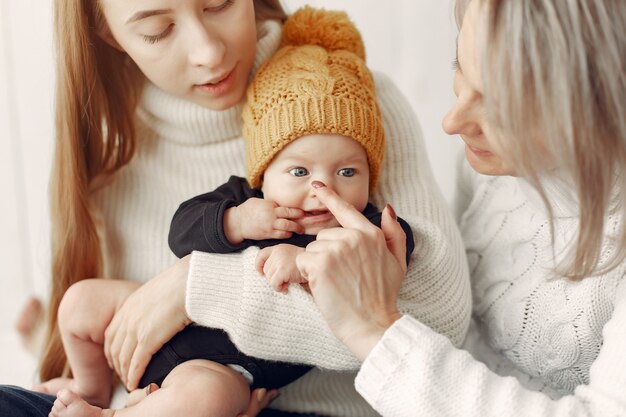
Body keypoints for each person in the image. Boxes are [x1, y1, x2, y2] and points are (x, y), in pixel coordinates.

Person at [0, 0, 471, 416]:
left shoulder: (342, 102)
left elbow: (437, 317)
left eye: (220, 2)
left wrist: (198, 286)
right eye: (157, 30)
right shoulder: (113, 153)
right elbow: (132, 331)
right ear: (107, 32)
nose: (209, 52)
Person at [293, 0, 626, 416]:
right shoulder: (491, 164)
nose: (451, 121)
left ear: (601, 106)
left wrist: (375, 329)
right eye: (460, 66)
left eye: (503, 106)